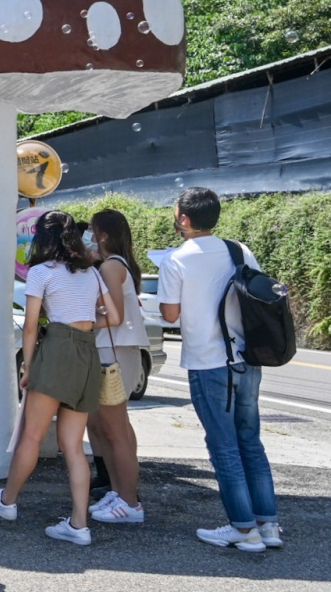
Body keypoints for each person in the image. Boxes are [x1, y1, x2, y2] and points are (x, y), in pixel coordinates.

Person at [0, 211, 119, 545]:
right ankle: (79, 524)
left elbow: (29, 326)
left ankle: (7, 501)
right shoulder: (92, 273)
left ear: (44, 237)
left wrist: (27, 367)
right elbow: (112, 317)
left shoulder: (41, 272)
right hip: (86, 354)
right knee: (73, 445)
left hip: (56, 350)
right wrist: (84, 323)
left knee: (32, 435)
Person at [159, 187, 281, 552]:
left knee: (224, 446)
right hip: (247, 359)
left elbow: (169, 315)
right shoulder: (238, 250)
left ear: (183, 218)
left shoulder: (176, 260)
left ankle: (243, 530)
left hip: (207, 362)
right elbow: (262, 293)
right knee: (250, 441)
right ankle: (268, 525)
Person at [84, 209, 150, 525]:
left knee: (115, 430)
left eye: (92, 230)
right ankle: (120, 491)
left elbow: (115, 316)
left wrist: (78, 322)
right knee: (106, 427)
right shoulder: (114, 264)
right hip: (111, 350)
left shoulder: (112, 266)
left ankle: (129, 501)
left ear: (104, 234)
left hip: (114, 350)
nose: (88, 235)